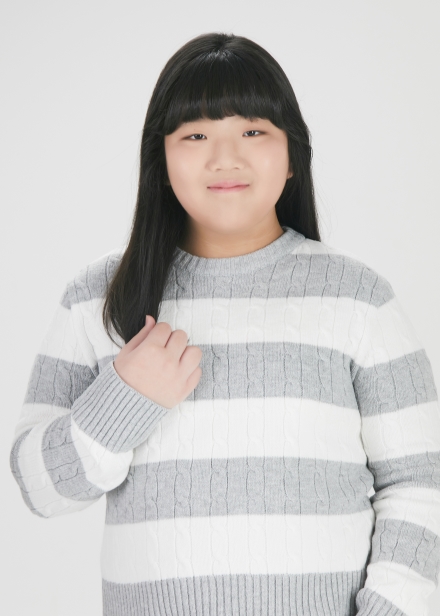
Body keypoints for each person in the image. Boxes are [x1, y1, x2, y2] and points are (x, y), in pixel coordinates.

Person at [9, 31, 440, 616]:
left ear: (293, 155)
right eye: (195, 135)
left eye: (254, 131)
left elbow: (419, 486)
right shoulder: (100, 297)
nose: (225, 157)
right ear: (161, 161)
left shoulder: (360, 300)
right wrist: (124, 398)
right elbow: (39, 488)